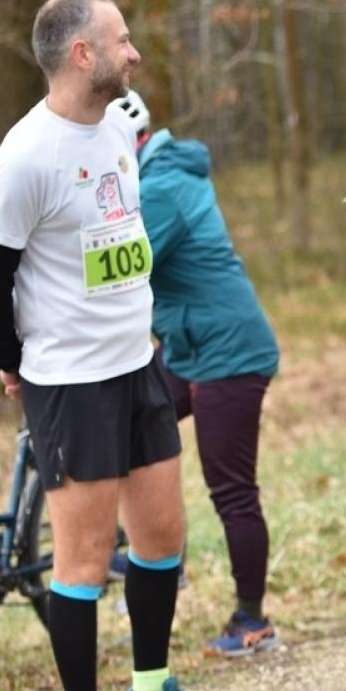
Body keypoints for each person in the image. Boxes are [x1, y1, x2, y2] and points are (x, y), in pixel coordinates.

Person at [0, 0, 233, 691]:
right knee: (83, 557)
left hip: (137, 365)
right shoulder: (24, 157)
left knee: (161, 538)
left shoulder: (117, 126)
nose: (135, 53)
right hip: (71, 382)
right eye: (121, 41)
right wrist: (15, 361)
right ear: (82, 54)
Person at [106, 89, 285, 658]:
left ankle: (252, 621)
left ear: (127, 144)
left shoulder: (161, 189)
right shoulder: (151, 180)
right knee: (125, 420)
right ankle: (159, 555)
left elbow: (117, 272)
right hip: (187, 346)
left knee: (230, 489)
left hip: (228, 353)